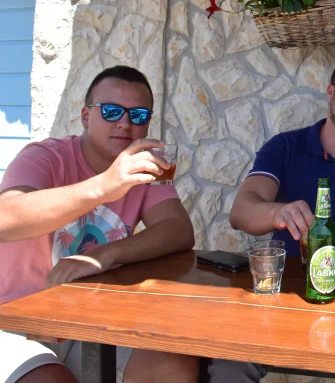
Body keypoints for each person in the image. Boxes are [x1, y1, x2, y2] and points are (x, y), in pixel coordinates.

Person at [208, 57, 335, 382]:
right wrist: (278, 212)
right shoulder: (286, 146)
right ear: (331, 91)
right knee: (225, 365)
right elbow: (241, 212)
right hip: (283, 298)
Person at [0, 66, 198, 383]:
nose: (124, 123)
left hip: (90, 320)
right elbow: (5, 219)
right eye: (111, 111)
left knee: (174, 365)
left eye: (138, 115)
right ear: (85, 115)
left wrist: (102, 255)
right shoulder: (44, 157)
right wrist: (104, 186)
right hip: (17, 320)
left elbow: (177, 230)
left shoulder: (140, 169)